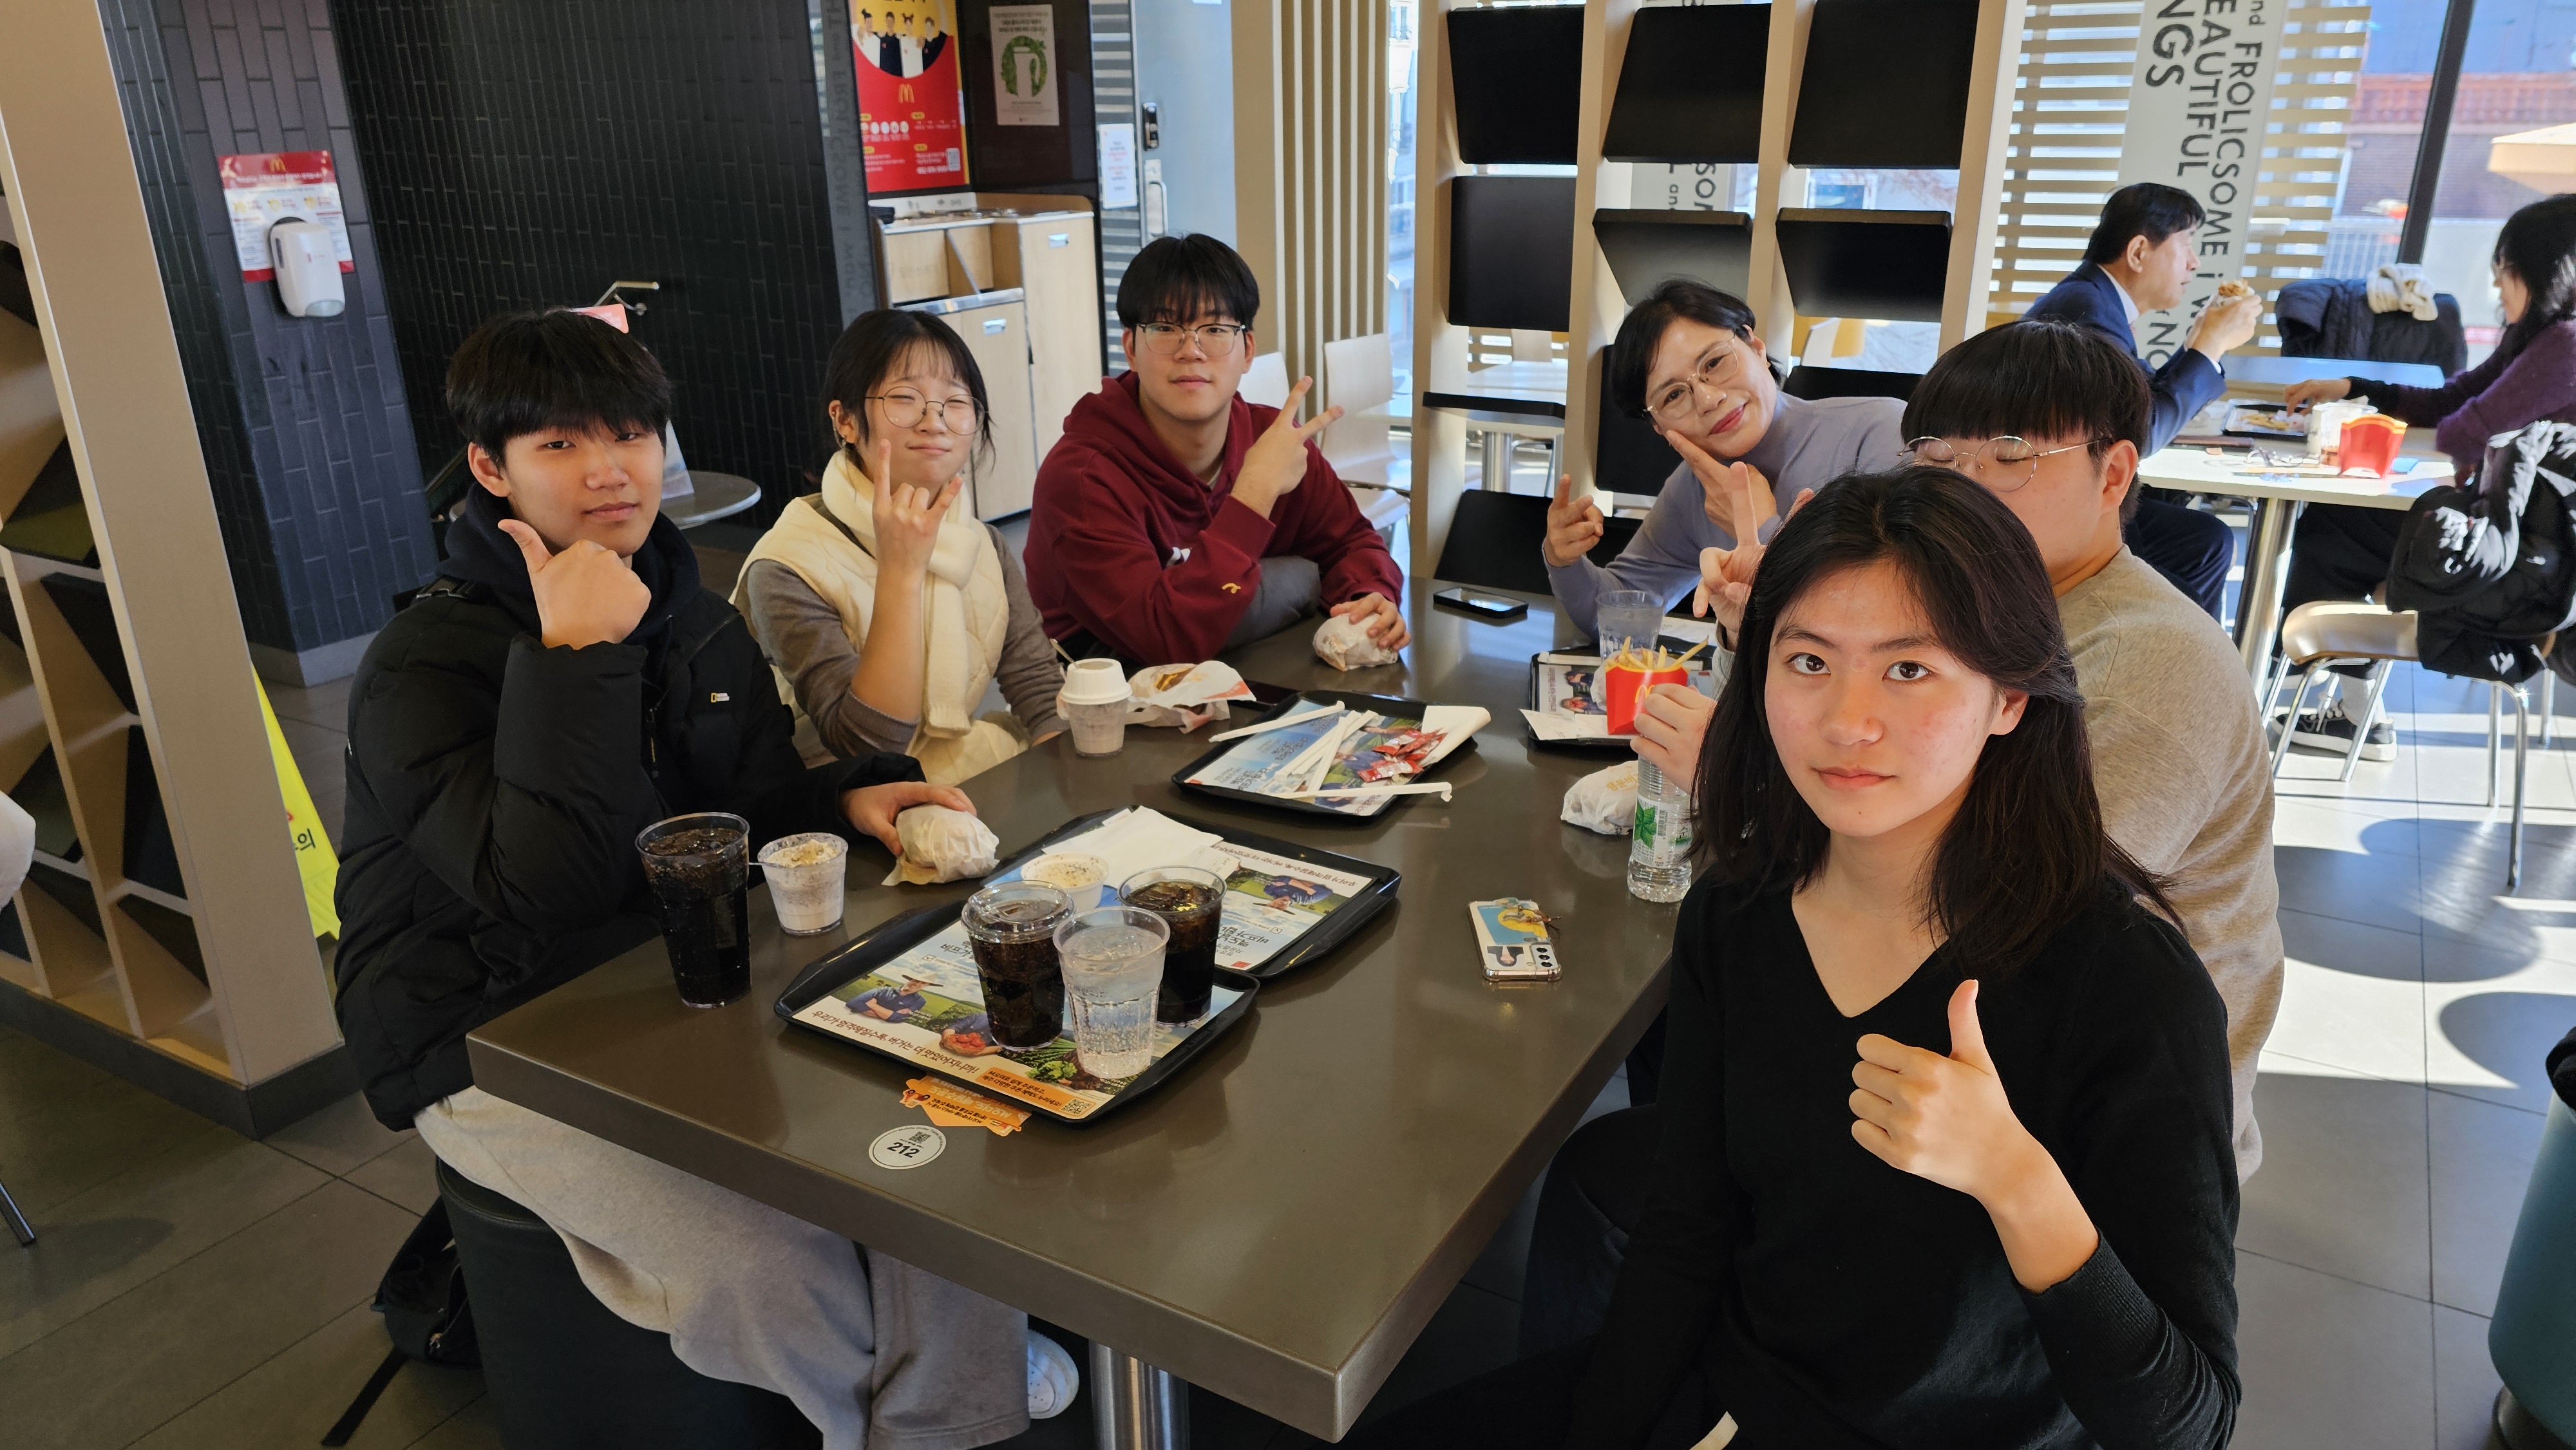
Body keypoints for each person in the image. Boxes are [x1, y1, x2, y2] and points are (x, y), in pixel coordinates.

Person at [1355, 466, 2241, 1449]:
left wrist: (2014, 1177)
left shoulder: (2126, 986)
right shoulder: (1739, 910)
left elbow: (2188, 1422)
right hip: (1739, 1397)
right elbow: (1685, 1233)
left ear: (2009, 697)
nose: (1846, 722)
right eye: (1809, 660)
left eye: (1910, 670)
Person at [334, 309, 1072, 1450]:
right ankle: (922, 1413)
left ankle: (941, 1416)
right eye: (560, 444)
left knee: (939, 1141)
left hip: (686, 979)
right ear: (489, 468)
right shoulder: (423, 664)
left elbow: (756, 797)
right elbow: (549, 886)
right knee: (762, 1257)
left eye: (630, 435)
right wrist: (577, 656)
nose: (609, 471)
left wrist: (848, 796)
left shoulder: (692, 616)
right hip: (488, 1029)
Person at [1567, 319, 2280, 1353]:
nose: (1971, 487)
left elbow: (1996, 910)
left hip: (2069, 1106)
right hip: (1933, 1031)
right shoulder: (1981, 601)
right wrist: (1779, 637)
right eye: (1942, 458)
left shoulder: (2154, 665)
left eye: (2014, 456)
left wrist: (1745, 769)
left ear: (2116, 472)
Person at [2275, 193, 2576, 760]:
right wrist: (2357, 389)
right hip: (2512, 533)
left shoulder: (2566, 344)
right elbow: (2452, 399)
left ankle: (2291, 683)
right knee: (2339, 526)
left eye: (2505, 269)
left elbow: (2466, 429)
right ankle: (2340, 703)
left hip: (2522, 560)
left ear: (2544, 272)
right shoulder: (2539, 337)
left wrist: (2417, 426)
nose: (2497, 284)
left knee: (2336, 528)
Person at [1025, 233, 1406, 664]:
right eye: (1165, 329)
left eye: (1216, 330)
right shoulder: (1081, 478)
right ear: (1131, 348)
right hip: (1119, 693)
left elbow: (1352, 543)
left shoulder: (1271, 439)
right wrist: (1254, 494)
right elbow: (1164, 640)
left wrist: (1368, 598)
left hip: (1261, 675)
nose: (1191, 351)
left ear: (1247, 351)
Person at [736, 309, 1065, 784]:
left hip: (958, 776)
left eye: (955, 401)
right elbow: (866, 748)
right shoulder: (786, 565)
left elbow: (1037, 688)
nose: (935, 422)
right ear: (845, 421)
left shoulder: (982, 543)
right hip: (838, 797)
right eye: (905, 399)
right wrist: (902, 571)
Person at [1541, 279, 1904, 642]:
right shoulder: (1692, 491)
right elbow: (1618, 618)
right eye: (1673, 396)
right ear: (1659, 427)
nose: (1708, 399)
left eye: (1714, 362)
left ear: (1756, 347)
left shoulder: (1880, 433)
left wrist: (1760, 528)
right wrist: (1563, 559)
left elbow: (1895, 608)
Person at [2024, 182, 2264, 619]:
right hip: (2056, 513)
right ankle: (2170, 648)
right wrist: (2209, 347)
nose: (2194, 262)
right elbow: (2141, 433)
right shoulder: (2087, 312)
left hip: (2069, 497)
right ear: (2138, 252)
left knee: (2205, 540)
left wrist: (2197, 345)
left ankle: (2183, 649)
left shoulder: (2092, 298)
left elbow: (2140, 398)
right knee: (2199, 552)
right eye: (2185, 244)